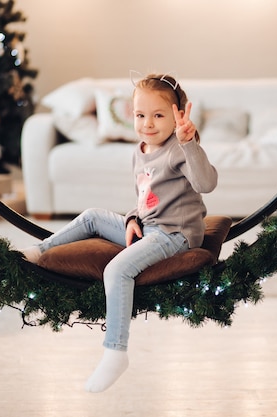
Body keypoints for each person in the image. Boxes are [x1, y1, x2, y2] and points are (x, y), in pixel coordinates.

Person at [20, 73, 218, 393]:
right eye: (140, 115)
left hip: (174, 234)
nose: (148, 124)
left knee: (117, 269)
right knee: (92, 216)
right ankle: (40, 251)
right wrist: (130, 219)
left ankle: (115, 351)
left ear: (178, 115)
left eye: (158, 115)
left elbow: (206, 184)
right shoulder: (139, 151)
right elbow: (143, 200)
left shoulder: (179, 149)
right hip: (150, 226)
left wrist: (190, 143)